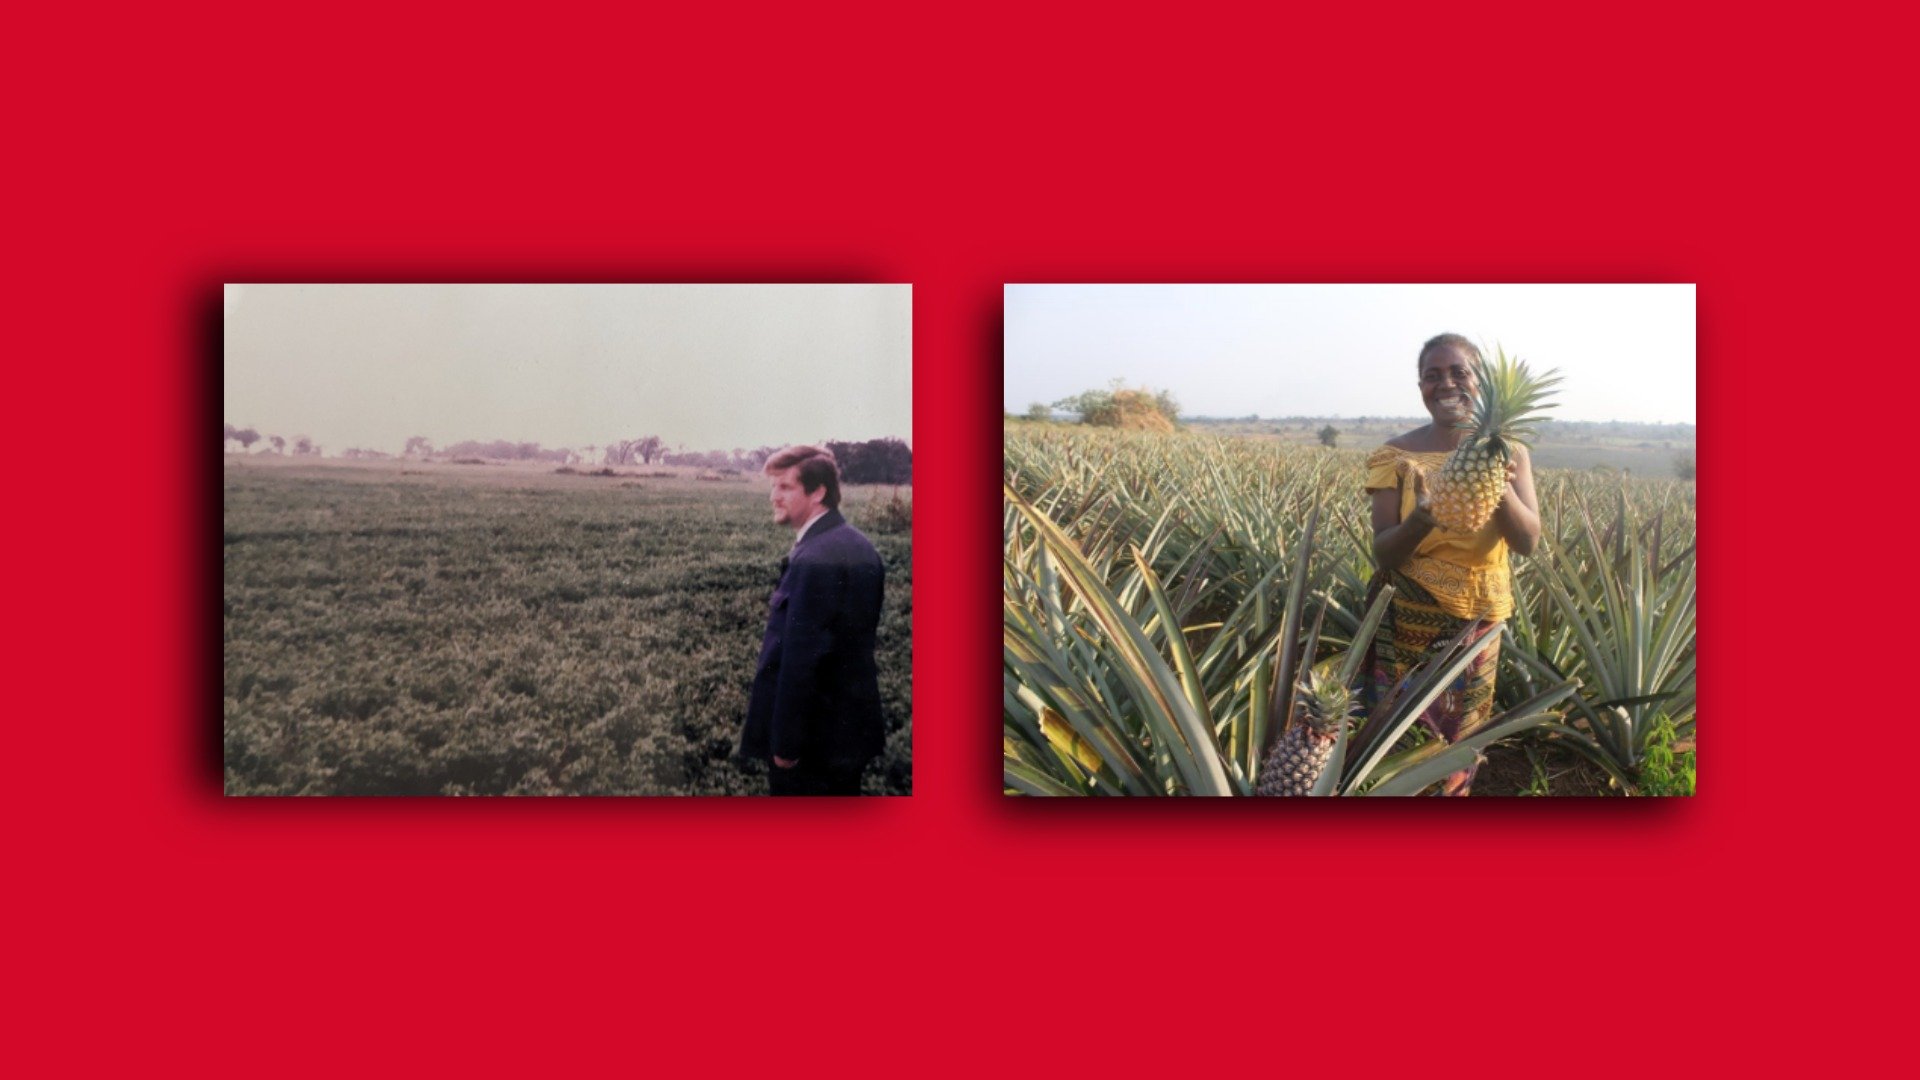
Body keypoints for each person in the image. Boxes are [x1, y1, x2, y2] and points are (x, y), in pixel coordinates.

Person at [1365, 334, 1542, 796]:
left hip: (1476, 620)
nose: (1446, 384)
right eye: (1432, 375)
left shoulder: (1513, 452)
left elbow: (1528, 541)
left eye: (1459, 372)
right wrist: (1421, 519)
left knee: (1457, 740)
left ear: (1479, 381)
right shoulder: (1394, 455)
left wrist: (1495, 482)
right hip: (1404, 618)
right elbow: (1382, 551)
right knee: (1392, 735)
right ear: (1420, 385)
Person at [740, 445, 887, 796]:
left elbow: (800, 662)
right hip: (848, 735)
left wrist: (786, 749)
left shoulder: (813, 559)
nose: (774, 497)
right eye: (773, 486)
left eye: (786, 487)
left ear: (818, 491)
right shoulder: (860, 546)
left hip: (811, 747)